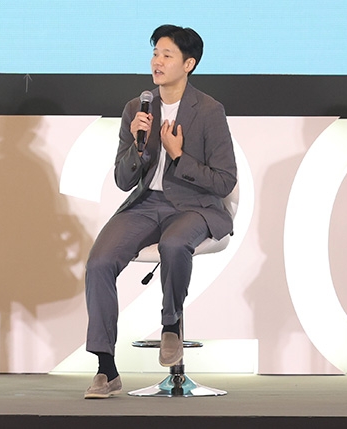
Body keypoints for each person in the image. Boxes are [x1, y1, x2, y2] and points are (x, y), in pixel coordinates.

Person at [83, 24, 238, 398]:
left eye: (167, 55)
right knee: (99, 263)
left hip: (194, 205)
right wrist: (137, 149)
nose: (157, 61)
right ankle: (106, 368)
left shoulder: (209, 110)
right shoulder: (136, 109)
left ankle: (171, 324)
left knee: (174, 244)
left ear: (188, 64)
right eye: (155, 53)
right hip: (145, 205)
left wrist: (178, 155)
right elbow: (123, 181)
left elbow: (224, 181)